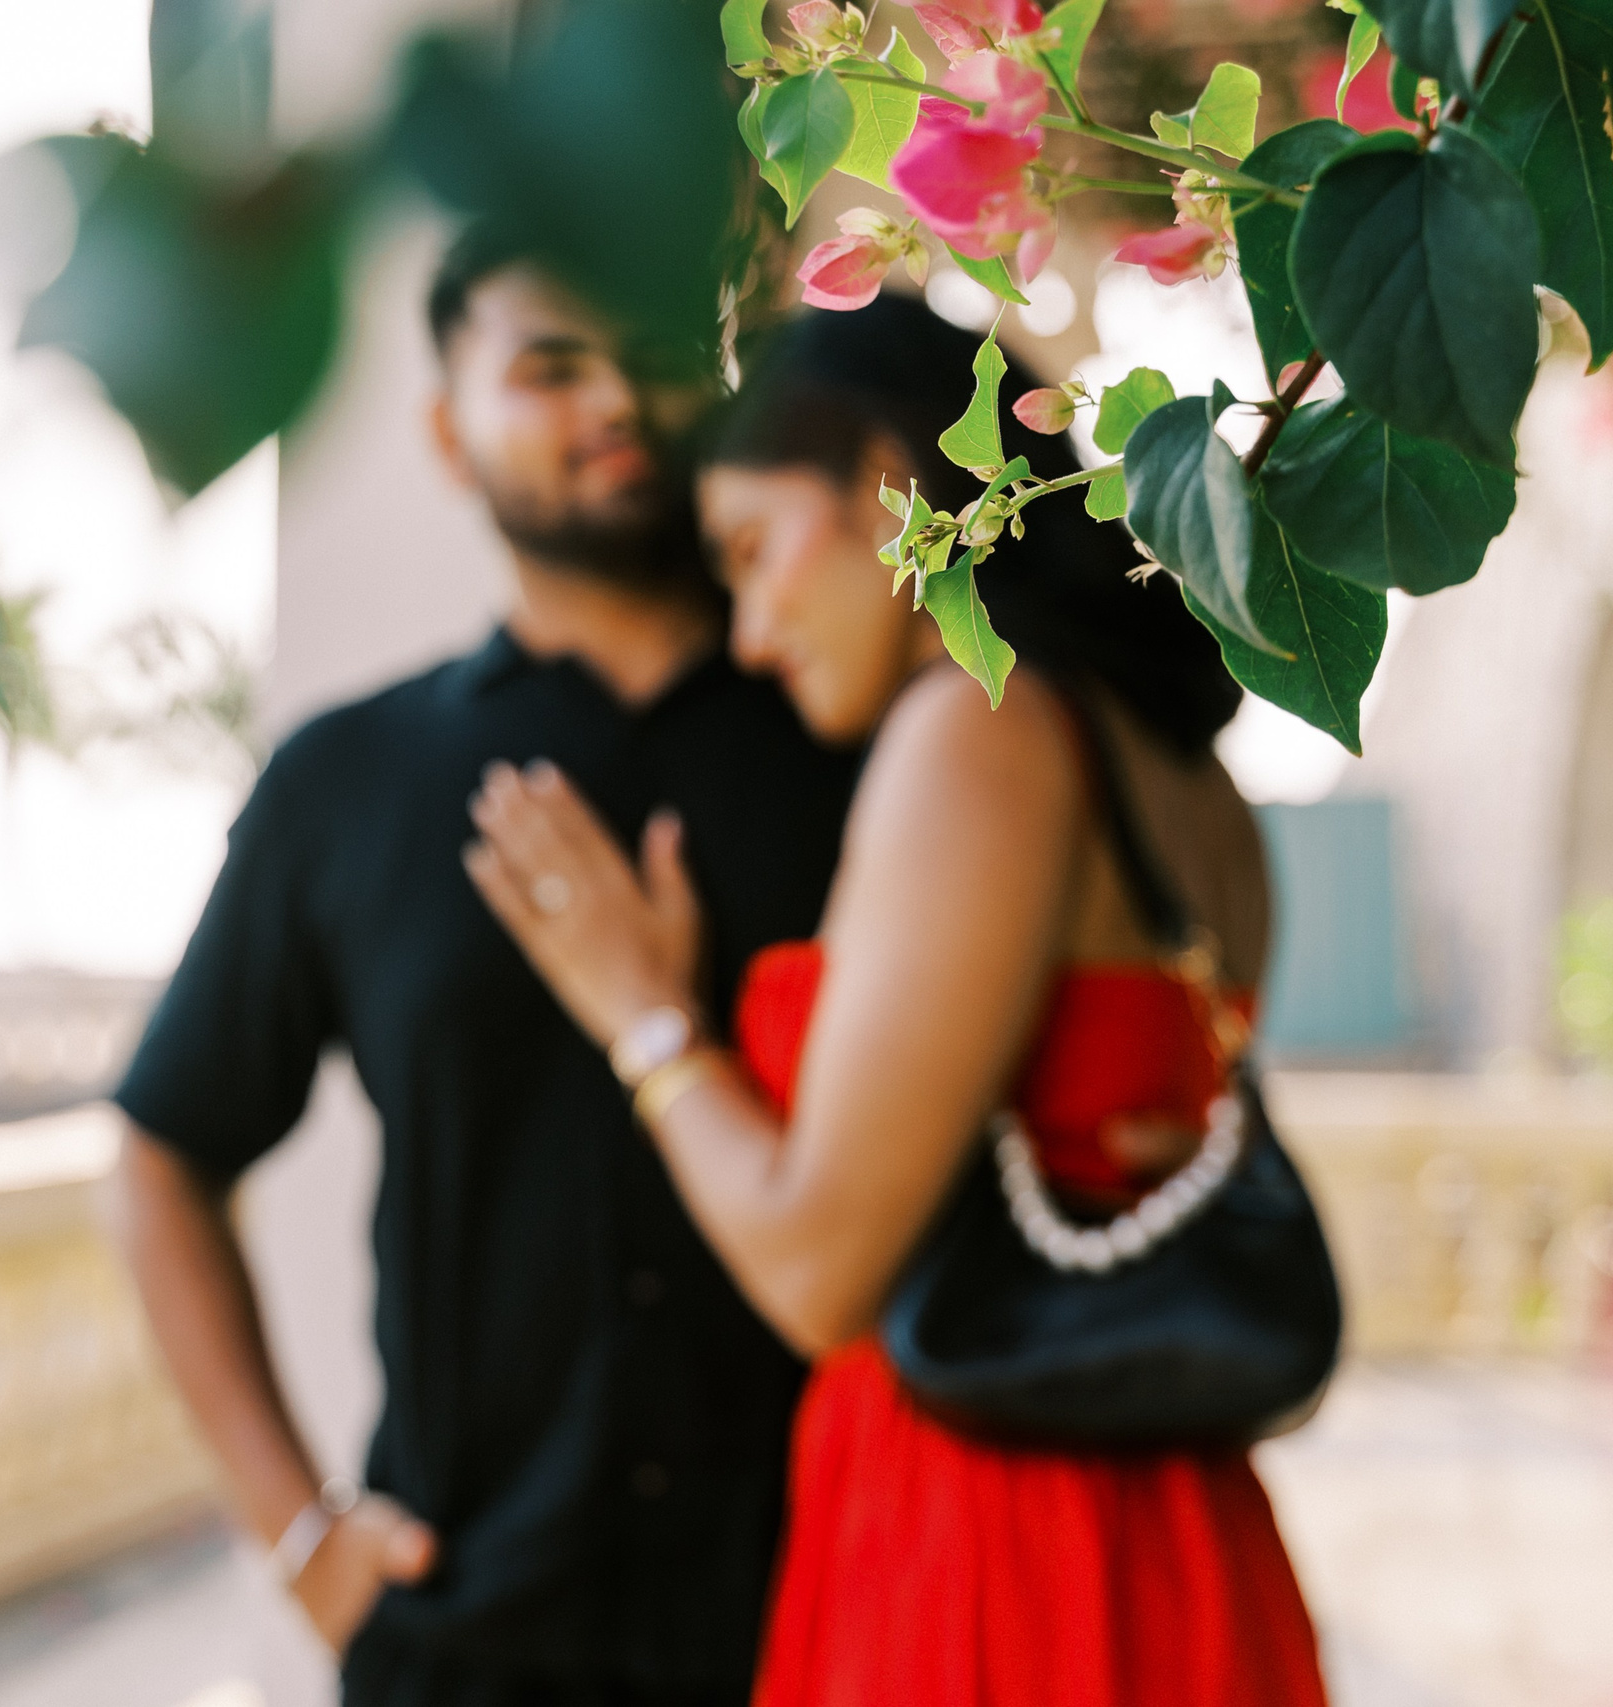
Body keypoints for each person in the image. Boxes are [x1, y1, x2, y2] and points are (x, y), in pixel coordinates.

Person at [463, 293, 1328, 1706]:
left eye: (753, 551)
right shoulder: (1183, 775)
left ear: (886, 478)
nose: (748, 633)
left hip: (995, 1544)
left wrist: (640, 1014)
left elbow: (819, 1270)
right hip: (1174, 1531)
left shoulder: (980, 731)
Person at [110, 225, 859, 1707]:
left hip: (842, 1622)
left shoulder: (864, 738)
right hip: (464, 1646)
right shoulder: (348, 783)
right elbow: (162, 1154)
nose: (613, 403)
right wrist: (303, 1538)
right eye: (549, 368)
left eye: (654, 352)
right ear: (452, 436)